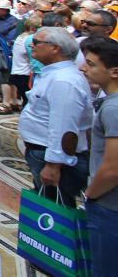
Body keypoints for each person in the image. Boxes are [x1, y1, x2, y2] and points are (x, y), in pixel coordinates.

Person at [18, 27, 92, 207]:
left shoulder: (63, 81)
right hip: (42, 151)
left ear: (55, 48)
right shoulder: (54, 74)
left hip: (49, 155)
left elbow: (63, 126)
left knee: (55, 207)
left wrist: (54, 165)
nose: (32, 46)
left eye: (37, 42)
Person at [78, 36, 118, 276]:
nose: (84, 68)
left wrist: (90, 194)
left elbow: (113, 168)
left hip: (108, 203)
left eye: (92, 64)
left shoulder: (113, 108)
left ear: (114, 71)